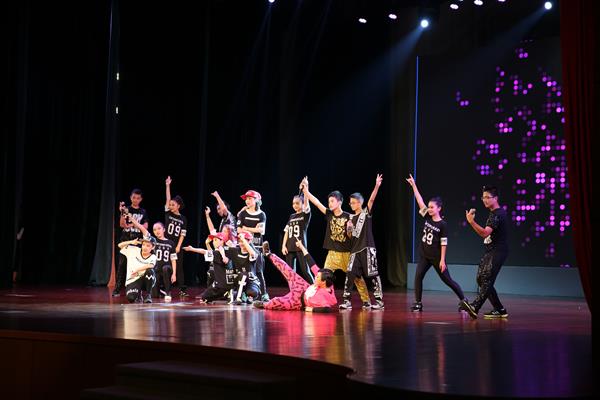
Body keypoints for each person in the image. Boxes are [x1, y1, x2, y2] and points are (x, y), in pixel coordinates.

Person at [302, 177, 371, 308]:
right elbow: (317, 203)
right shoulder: (329, 214)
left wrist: (350, 229)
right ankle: (319, 299)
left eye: (332, 201)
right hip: (332, 254)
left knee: (357, 277)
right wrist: (306, 191)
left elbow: (352, 236)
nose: (329, 203)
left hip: (346, 254)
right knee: (322, 276)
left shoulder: (348, 216)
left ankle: (366, 300)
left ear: (339, 202)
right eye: (329, 201)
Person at [406, 174, 469, 313]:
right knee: (418, 277)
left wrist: (442, 260)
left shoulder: (442, 224)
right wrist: (413, 185)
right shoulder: (427, 216)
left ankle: (464, 300)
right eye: (429, 207)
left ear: (439, 208)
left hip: (436, 257)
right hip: (424, 255)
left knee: (447, 280)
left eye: (432, 207)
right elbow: (419, 200)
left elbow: (444, 243)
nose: (429, 209)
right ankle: (418, 303)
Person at [459, 186, 510, 319]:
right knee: (481, 279)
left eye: (488, 197)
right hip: (491, 250)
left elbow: (484, 233)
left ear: (495, 198)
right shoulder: (494, 213)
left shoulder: (497, 214)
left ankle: (475, 307)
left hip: (498, 251)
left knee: (486, 279)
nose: (484, 200)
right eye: (483, 197)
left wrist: (471, 222)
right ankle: (499, 309)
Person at [340, 174, 385, 310]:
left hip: (367, 248)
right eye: (350, 203)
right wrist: (348, 228)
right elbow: (350, 237)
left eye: (353, 202)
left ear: (360, 203)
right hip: (355, 251)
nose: (351, 205)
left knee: (372, 274)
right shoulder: (350, 218)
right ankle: (347, 301)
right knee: (350, 273)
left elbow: (371, 200)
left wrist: (377, 185)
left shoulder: (365, 213)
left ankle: (379, 301)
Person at [254, 240, 337, 312]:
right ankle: (269, 254)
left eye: (317, 277)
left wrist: (312, 309)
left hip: (298, 302)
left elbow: (327, 309)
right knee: (287, 269)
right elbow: (311, 263)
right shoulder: (326, 278)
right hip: (303, 287)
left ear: (323, 282)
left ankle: (264, 304)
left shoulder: (325, 295)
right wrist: (302, 247)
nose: (315, 277)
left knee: (277, 302)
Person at [127, 214, 177, 302]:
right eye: (154, 229)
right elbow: (142, 228)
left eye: (159, 228)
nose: (157, 231)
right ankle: (160, 291)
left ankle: (168, 292)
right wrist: (133, 220)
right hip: (155, 269)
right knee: (154, 296)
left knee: (165, 268)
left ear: (164, 229)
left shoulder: (171, 243)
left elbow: (173, 260)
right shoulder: (153, 241)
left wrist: (174, 274)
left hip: (166, 269)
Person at [113, 189, 149, 297]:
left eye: (138, 198)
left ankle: (137, 288)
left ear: (141, 199)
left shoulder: (143, 212)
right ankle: (117, 289)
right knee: (122, 265)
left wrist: (132, 224)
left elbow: (145, 226)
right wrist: (122, 213)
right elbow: (122, 224)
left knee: (137, 265)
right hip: (126, 241)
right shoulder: (126, 209)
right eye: (133, 197)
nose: (135, 200)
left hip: (137, 242)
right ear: (130, 198)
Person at [184, 232, 236, 303]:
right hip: (230, 283)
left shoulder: (218, 253)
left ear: (222, 241)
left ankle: (227, 293)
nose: (213, 242)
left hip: (221, 284)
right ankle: (227, 293)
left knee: (204, 297)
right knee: (206, 297)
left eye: (215, 240)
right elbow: (211, 252)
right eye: (213, 240)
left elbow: (205, 251)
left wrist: (192, 249)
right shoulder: (228, 250)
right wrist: (207, 244)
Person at [237, 190, 268, 301]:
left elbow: (261, 231)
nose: (247, 201)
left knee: (259, 272)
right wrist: (254, 229)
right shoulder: (242, 214)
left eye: (250, 198)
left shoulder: (261, 214)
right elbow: (239, 230)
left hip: (257, 247)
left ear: (256, 200)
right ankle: (243, 293)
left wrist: (246, 228)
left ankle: (264, 294)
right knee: (244, 271)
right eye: (246, 199)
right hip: (244, 248)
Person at [281, 188, 313, 283]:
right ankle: (293, 290)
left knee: (305, 271)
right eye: (293, 203)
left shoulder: (305, 215)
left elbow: (307, 205)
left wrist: (305, 190)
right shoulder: (291, 216)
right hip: (290, 247)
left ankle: (315, 288)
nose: (295, 205)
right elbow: (286, 232)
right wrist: (283, 246)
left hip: (300, 247)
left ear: (302, 204)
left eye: (297, 203)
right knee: (290, 273)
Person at [165, 176, 188, 297]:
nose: (170, 206)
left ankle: (182, 289)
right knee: (165, 265)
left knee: (179, 267)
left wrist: (178, 246)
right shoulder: (168, 213)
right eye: (170, 205)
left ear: (178, 206)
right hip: (166, 243)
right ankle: (164, 288)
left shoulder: (183, 218)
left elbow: (182, 234)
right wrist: (168, 185)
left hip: (176, 245)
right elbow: (168, 198)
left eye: (173, 205)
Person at [117, 236, 157, 303]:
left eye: (148, 246)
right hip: (132, 280)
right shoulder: (133, 250)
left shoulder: (153, 256)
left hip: (145, 280)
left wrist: (137, 270)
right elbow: (119, 245)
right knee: (131, 298)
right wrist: (131, 242)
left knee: (150, 271)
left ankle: (148, 295)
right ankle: (138, 294)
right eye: (143, 245)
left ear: (153, 247)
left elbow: (151, 265)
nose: (145, 247)